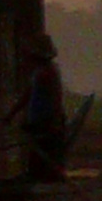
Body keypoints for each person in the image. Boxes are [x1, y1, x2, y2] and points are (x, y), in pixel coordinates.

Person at [5, 33, 67, 181]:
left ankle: (45, 181)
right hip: (37, 123)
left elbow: (56, 99)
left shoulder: (50, 72)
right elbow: (27, 96)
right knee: (36, 159)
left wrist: (56, 122)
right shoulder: (38, 73)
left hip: (47, 123)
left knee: (46, 159)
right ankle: (35, 179)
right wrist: (11, 114)